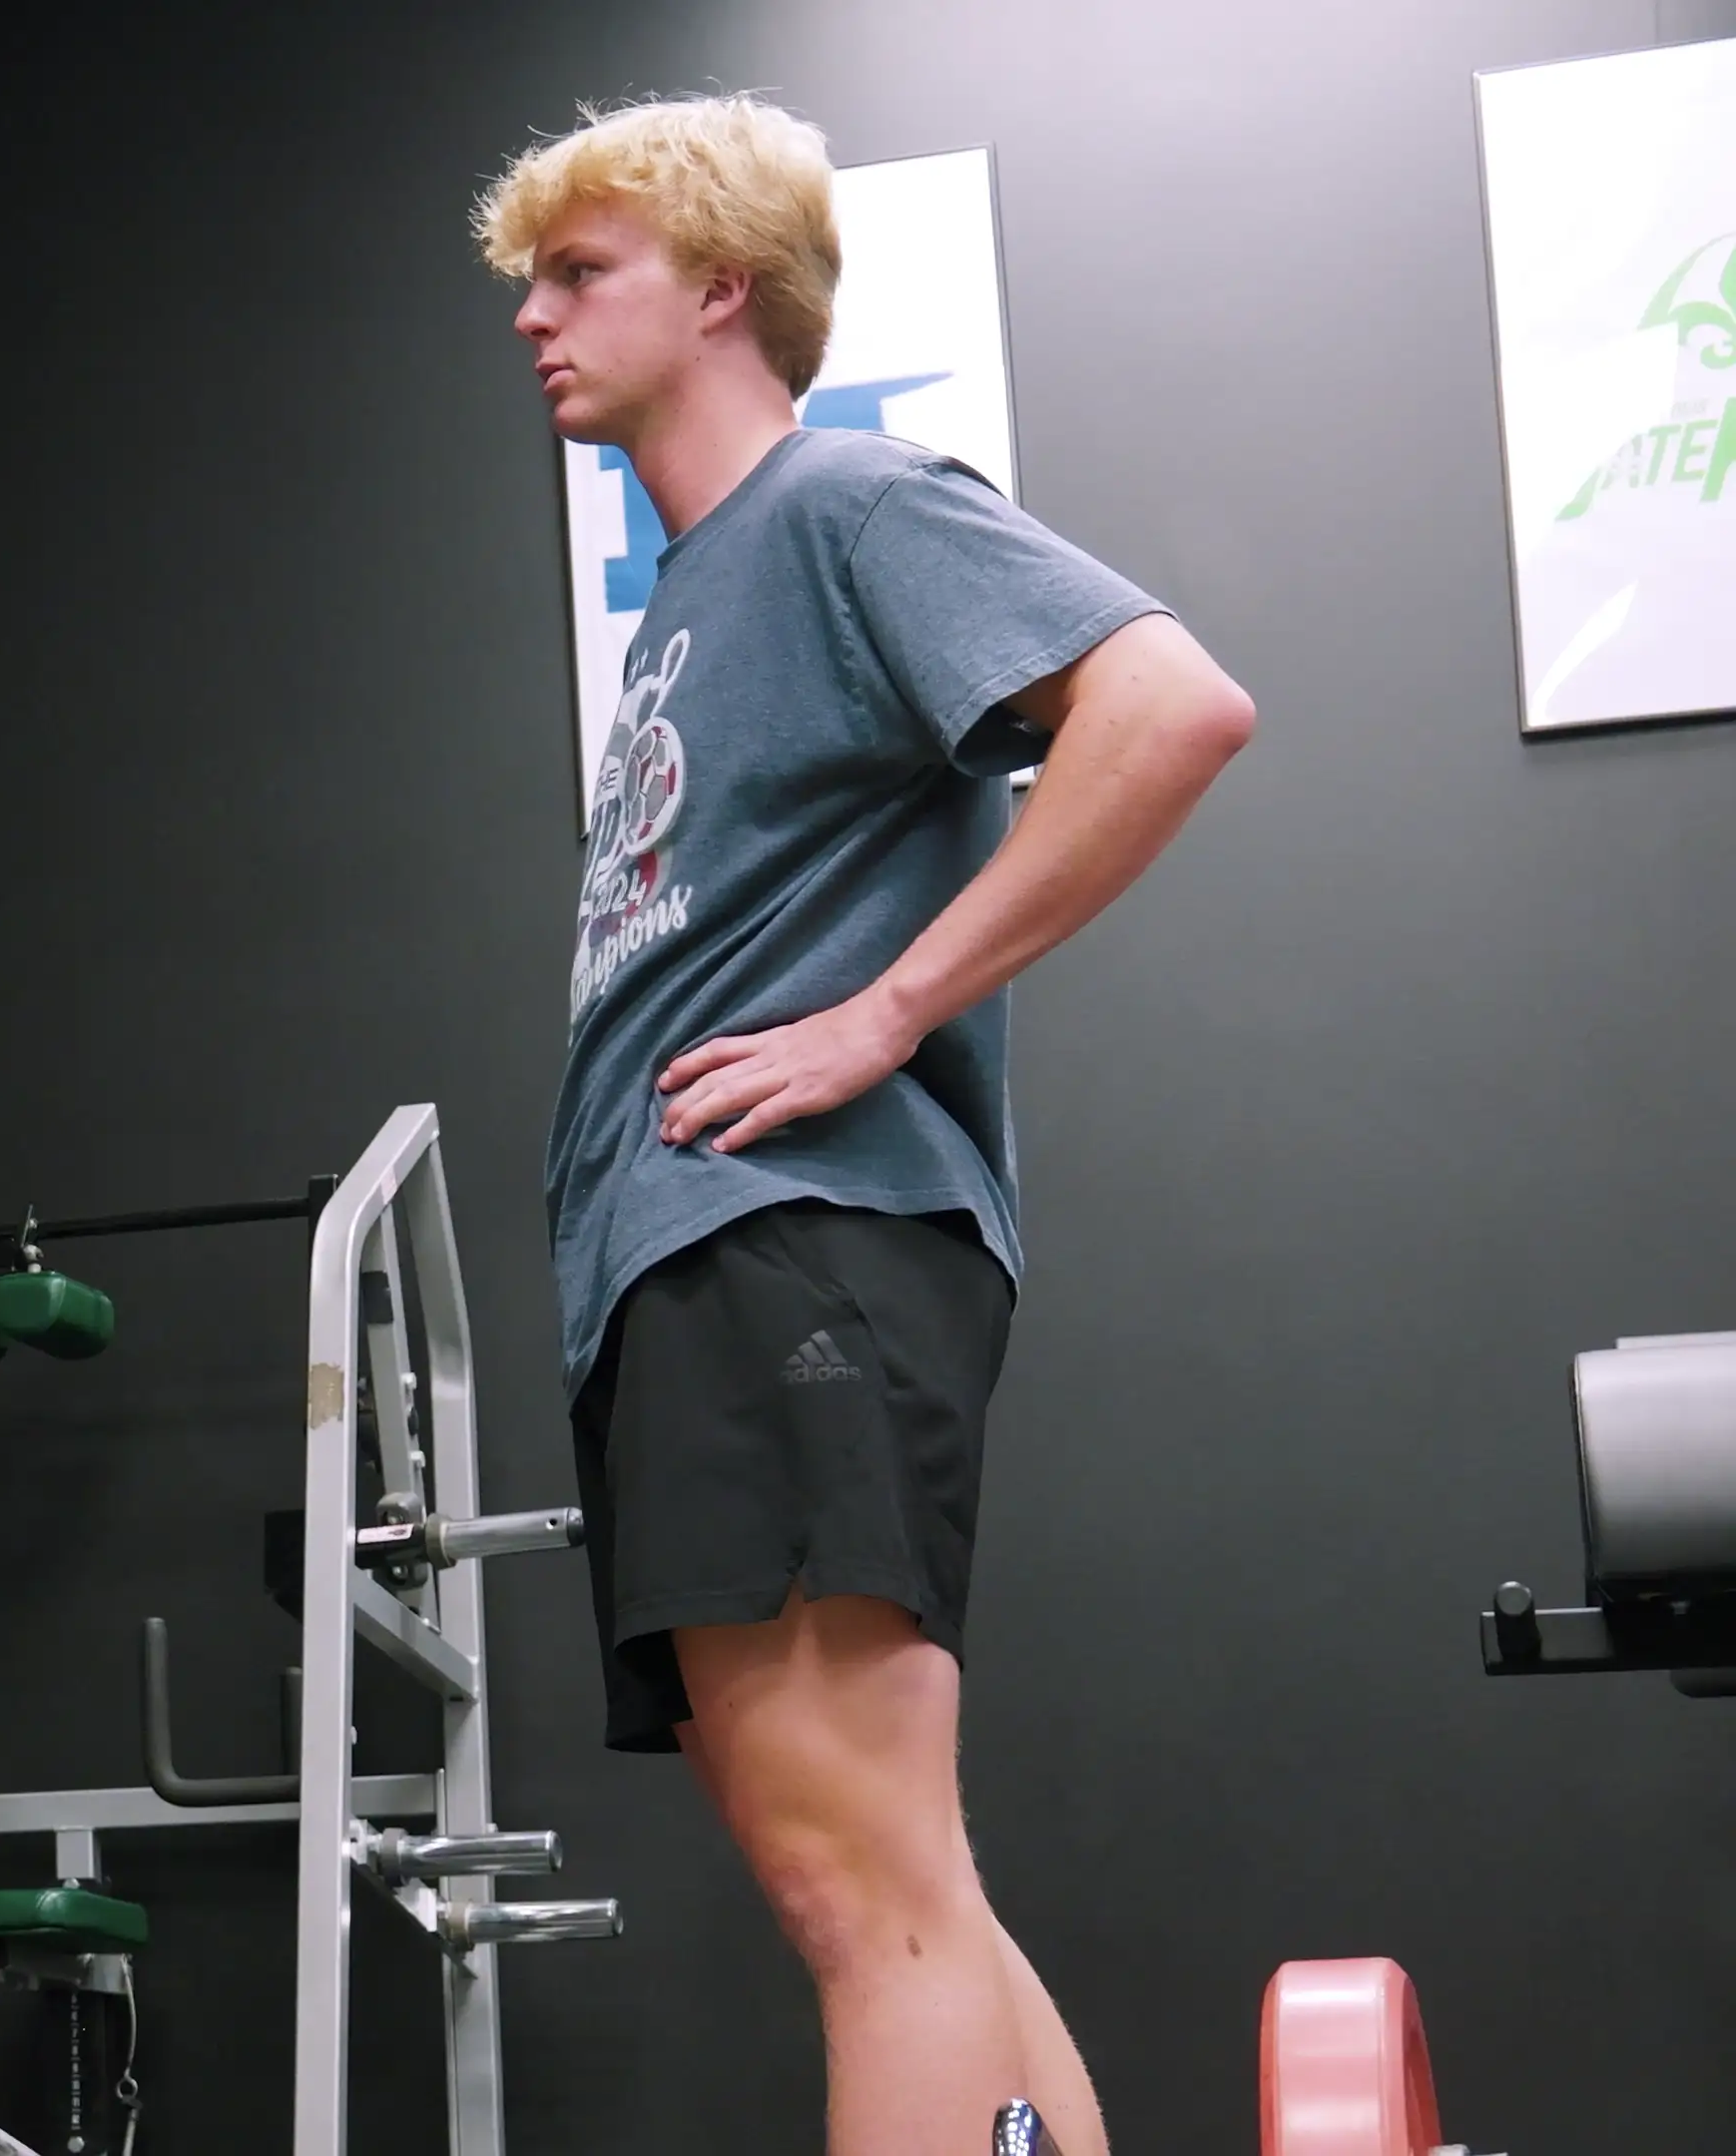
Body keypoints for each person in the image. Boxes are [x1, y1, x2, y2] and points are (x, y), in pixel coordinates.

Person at [479, 96, 1254, 2156]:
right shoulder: (699, 587)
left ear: (723, 290)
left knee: (867, 1906)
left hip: (786, 1245)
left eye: (581, 274)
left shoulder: (845, 504)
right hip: (704, 1264)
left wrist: (887, 1010)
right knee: (913, 1896)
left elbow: (1172, 706)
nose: (534, 318)